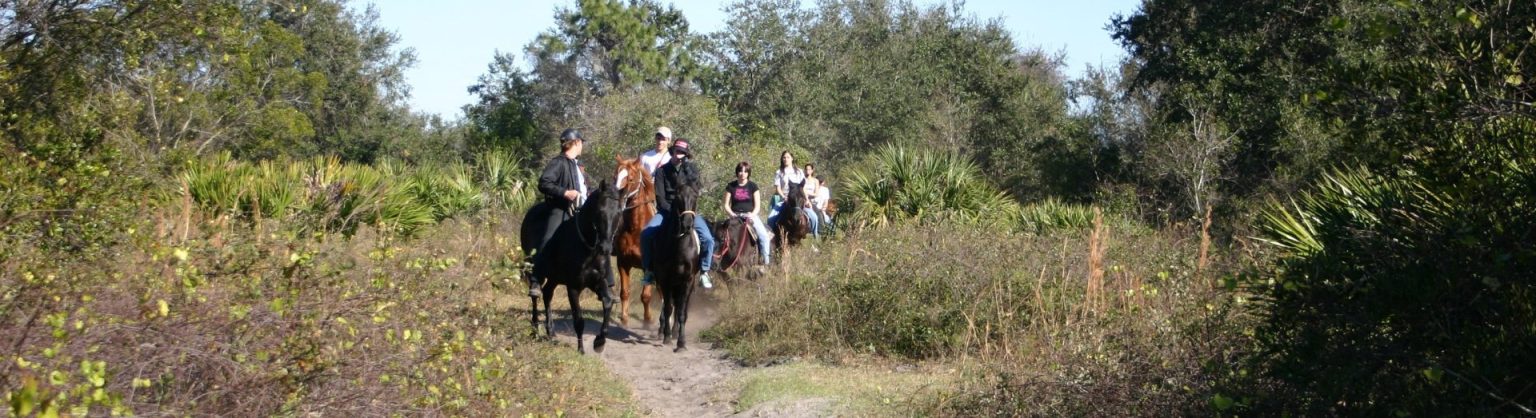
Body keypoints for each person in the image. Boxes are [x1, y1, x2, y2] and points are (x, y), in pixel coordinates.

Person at [640, 138, 717, 288]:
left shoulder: (692, 171)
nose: (679, 154)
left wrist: (685, 212)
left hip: (688, 212)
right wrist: (673, 211)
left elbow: (695, 194)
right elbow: (660, 197)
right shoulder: (662, 171)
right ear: (672, 151)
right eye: (677, 151)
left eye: (683, 152)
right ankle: (649, 270)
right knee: (646, 235)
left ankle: (704, 272)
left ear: (686, 155)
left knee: (708, 239)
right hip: (666, 212)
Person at [528, 128, 590, 299]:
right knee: (548, 239)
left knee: (600, 239)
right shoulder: (559, 162)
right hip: (560, 208)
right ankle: (535, 280)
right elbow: (544, 183)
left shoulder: (579, 165)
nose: (582, 146)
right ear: (576, 142)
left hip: (581, 210)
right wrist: (565, 192)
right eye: (581, 142)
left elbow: (586, 188)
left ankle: (607, 283)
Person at [722, 161, 773, 265]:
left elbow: (757, 206)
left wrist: (752, 214)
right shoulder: (731, 186)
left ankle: (765, 263)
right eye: (740, 171)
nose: (742, 173)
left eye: (745, 171)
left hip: (750, 215)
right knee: (721, 234)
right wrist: (731, 214)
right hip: (735, 216)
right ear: (737, 172)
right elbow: (726, 204)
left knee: (764, 236)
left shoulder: (753, 186)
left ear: (748, 173)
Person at [766, 150, 805, 229]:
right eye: (784, 157)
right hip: (784, 199)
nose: (786, 159)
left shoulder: (799, 171)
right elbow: (778, 188)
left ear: (792, 158)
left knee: (814, 217)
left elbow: (803, 188)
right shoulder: (779, 172)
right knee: (770, 219)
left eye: (788, 157)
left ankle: (815, 235)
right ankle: (771, 237)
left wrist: (806, 199)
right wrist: (784, 197)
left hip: (798, 199)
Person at [801, 163, 823, 238]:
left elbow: (816, 194)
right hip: (801, 201)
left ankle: (816, 233)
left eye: (809, 169)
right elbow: (800, 190)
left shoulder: (815, 181)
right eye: (806, 169)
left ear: (812, 170)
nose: (807, 171)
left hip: (811, 202)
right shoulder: (802, 179)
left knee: (816, 217)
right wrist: (805, 196)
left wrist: (807, 194)